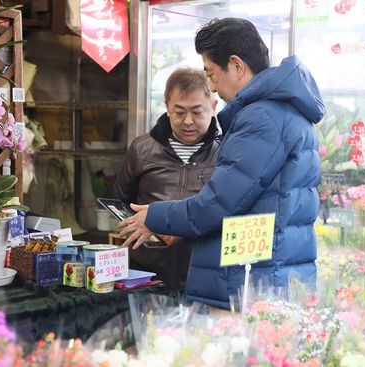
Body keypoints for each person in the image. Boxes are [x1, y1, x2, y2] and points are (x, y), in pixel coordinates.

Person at [119, 18, 326, 309]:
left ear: (237, 65)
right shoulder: (283, 111)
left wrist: (154, 216)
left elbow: (219, 204)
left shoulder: (262, 118)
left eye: (212, 74)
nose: (213, 87)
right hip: (266, 273)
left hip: (251, 281)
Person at [114, 67, 220, 290]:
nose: (188, 121)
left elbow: (227, 211)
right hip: (145, 276)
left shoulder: (227, 153)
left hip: (203, 276)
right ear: (167, 108)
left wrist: (183, 227)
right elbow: (122, 201)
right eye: (179, 112)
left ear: (213, 107)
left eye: (197, 112)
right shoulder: (141, 148)